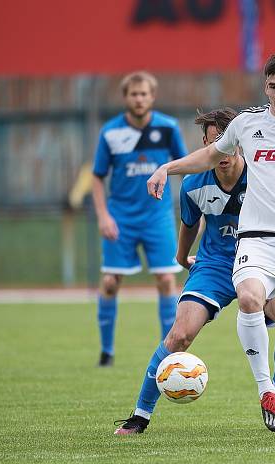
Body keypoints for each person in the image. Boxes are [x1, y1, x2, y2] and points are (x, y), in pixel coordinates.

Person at [146, 52, 275, 433]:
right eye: (273, 86)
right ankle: (266, 391)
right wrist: (167, 167)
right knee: (250, 297)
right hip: (259, 239)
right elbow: (208, 154)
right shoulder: (246, 125)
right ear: (264, 87)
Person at [115, 108, 275, 435]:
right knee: (180, 334)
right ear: (206, 148)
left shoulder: (263, 178)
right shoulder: (193, 185)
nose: (221, 149)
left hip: (260, 259)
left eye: (226, 140)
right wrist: (181, 258)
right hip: (215, 265)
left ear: (240, 141)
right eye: (212, 142)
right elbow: (189, 225)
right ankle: (140, 415)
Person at [91, 71, 187, 367]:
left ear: (152, 96)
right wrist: (104, 216)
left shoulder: (169, 128)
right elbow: (97, 177)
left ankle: (167, 355)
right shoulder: (110, 133)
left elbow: (184, 167)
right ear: (126, 98)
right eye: (134, 94)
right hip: (121, 219)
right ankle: (107, 352)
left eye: (144, 93)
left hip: (157, 218)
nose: (139, 99)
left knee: (166, 280)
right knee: (109, 282)